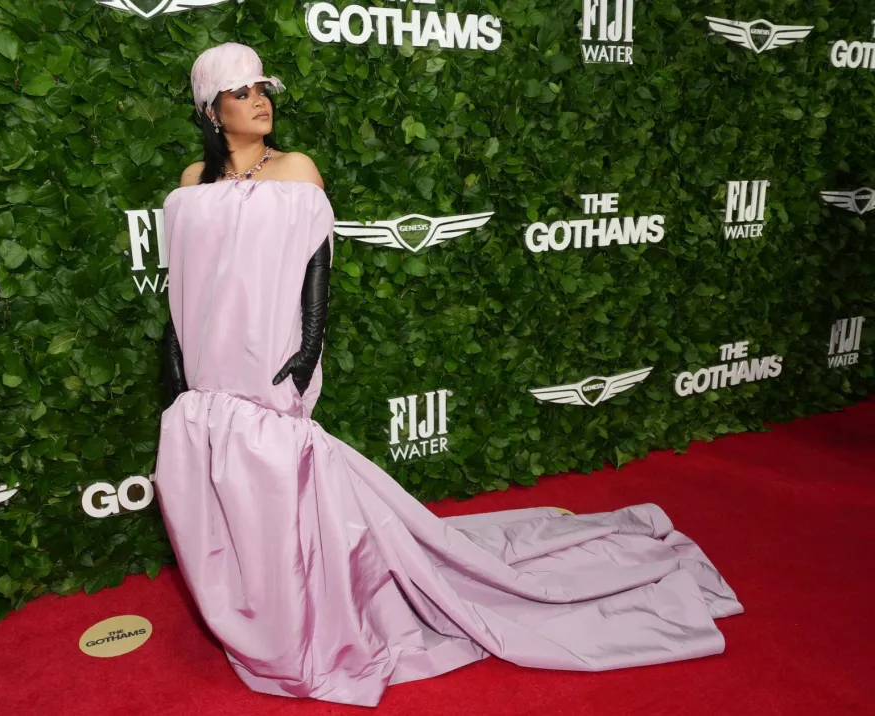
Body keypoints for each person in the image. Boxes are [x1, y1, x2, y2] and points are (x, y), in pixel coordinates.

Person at [154, 42, 743, 708]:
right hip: (208, 371)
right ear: (212, 110)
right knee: (221, 495)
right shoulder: (191, 183)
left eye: (264, 89)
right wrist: (175, 356)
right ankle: (253, 609)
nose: (260, 101)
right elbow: (186, 283)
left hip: (267, 361)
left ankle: (298, 624)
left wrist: (309, 345)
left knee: (277, 489)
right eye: (242, 92)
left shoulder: (295, 169)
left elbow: (317, 263)